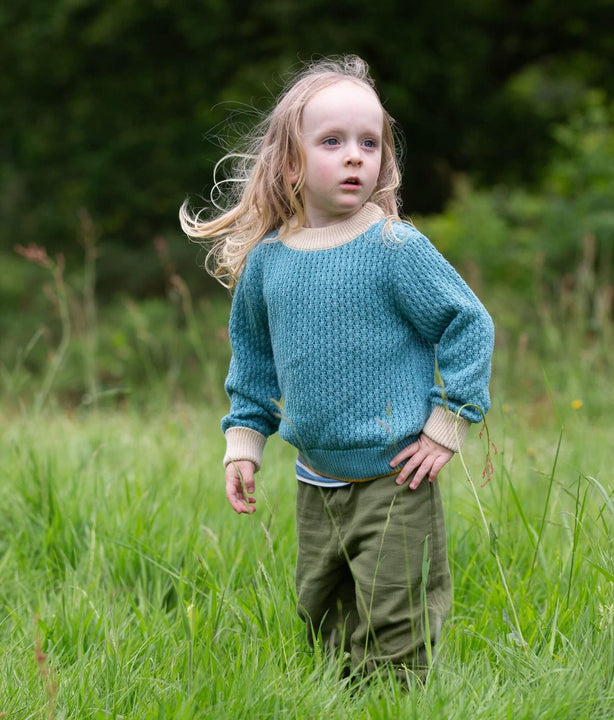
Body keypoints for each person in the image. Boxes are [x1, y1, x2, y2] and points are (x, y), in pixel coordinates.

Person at [180, 55, 494, 683]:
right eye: (332, 141)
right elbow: (254, 362)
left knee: (396, 616)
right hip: (314, 481)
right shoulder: (269, 263)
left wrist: (447, 422)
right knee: (321, 610)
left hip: (395, 477)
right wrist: (243, 442)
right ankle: (336, 695)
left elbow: (468, 323)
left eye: (369, 142)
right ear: (290, 163)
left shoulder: (394, 247)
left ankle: (398, 698)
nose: (355, 156)